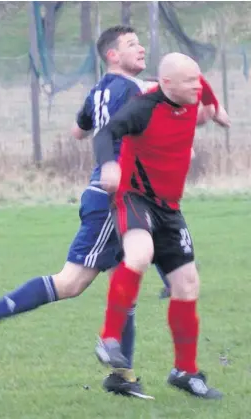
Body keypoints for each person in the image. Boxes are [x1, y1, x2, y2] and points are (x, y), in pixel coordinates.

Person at [0, 25, 167, 399]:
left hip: (116, 195)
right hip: (112, 198)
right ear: (112, 55)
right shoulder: (133, 89)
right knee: (71, 282)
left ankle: (123, 375)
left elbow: (78, 130)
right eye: (131, 45)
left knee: (127, 282)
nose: (141, 49)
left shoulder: (100, 90)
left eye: (141, 43)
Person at [92, 52, 230, 400]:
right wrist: (109, 165)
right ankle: (109, 338)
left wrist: (216, 110)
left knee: (187, 283)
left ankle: (185, 371)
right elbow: (106, 133)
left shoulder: (193, 88)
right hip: (135, 198)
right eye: (189, 81)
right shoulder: (143, 108)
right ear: (165, 84)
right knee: (140, 254)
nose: (197, 86)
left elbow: (206, 88)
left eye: (198, 79)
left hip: (170, 208)